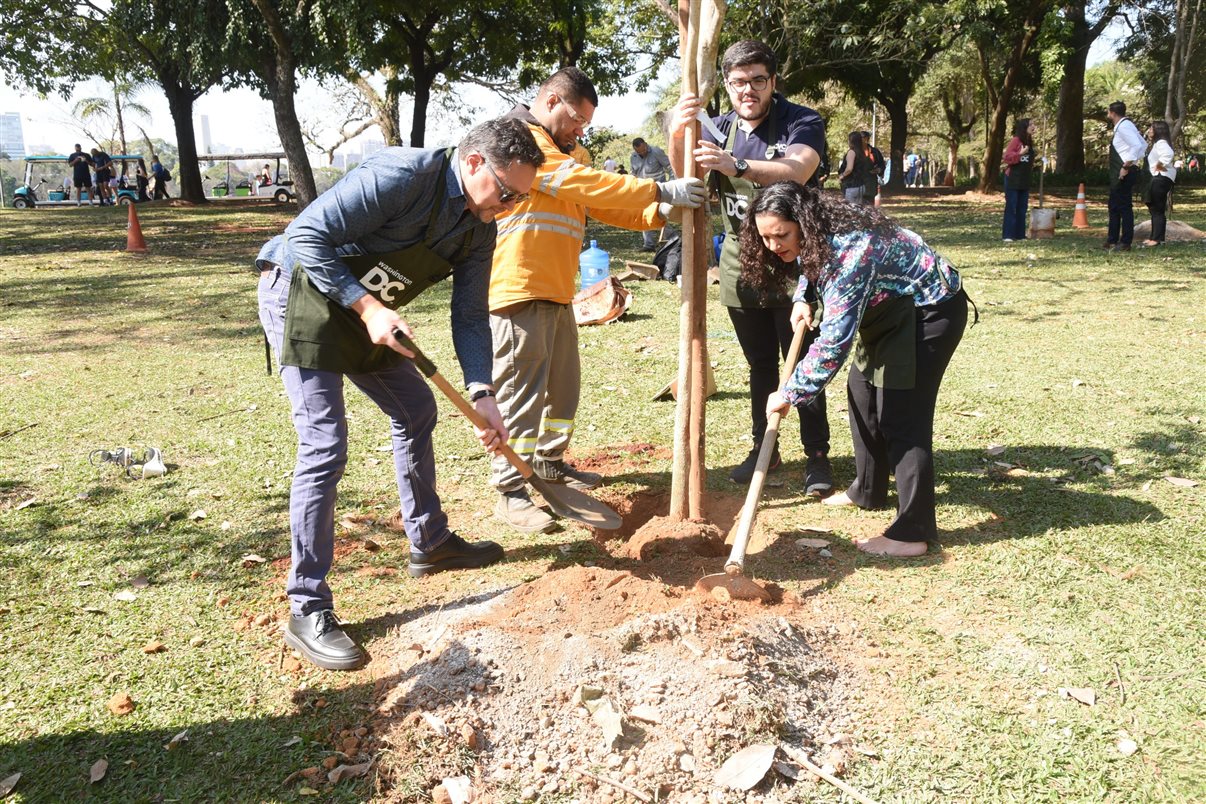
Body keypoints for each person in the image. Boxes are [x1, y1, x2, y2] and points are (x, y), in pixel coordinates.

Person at [254, 117, 545, 670]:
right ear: (474, 163)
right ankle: (306, 605)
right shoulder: (403, 174)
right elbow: (305, 235)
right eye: (505, 193)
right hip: (301, 290)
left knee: (416, 408)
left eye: (517, 200)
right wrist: (366, 307)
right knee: (325, 443)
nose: (506, 207)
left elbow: (469, 315)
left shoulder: (480, 225)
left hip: (364, 307)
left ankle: (430, 541)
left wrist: (483, 392)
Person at [489, 67, 704, 533]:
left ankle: (548, 463)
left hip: (557, 289)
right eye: (576, 118)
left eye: (585, 123)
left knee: (562, 388)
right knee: (520, 393)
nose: (580, 130)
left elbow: (599, 202)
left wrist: (657, 210)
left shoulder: (570, 152)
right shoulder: (519, 141)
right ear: (549, 101)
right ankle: (510, 488)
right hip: (517, 286)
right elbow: (579, 184)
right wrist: (657, 188)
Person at [749, 181, 970, 557]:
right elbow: (811, 261)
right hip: (889, 309)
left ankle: (911, 533)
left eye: (781, 235)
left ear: (803, 221)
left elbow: (834, 343)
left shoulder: (852, 253)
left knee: (902, 416)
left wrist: (790, 394)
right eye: (765, 238)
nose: (773, 246)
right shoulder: (818, 235)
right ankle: (868, 489)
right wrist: (804, 295)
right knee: (862, 391)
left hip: (928, 311)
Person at [669, 39, 834, 494]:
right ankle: (765, 446)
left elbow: (798, 170)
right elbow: (685, 172)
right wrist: (679, 128)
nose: (748, 90)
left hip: (794, 260)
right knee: (760, 363)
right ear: (726, 83)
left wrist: (736, 163)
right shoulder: (717, 126)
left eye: (758, 80)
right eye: (739, 82)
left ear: (772, 82)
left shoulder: (801, 120)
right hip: (741, 266)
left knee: (800, 359)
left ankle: (817, 456)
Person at [1105, 101, 1147, 252]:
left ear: (1112, 113)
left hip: (1124, 171)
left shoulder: (1124, 127)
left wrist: (1126, 165)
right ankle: (1112, 239)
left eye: (1108, 111)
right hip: (1122, 171)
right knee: (1114, 206)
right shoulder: (1125, 126)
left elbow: (1137, 146)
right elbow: (1143, 145)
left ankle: (1125, 242)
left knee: (1123, 207)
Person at [630, 137, 674, 250]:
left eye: (643, 150)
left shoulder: (656, 151)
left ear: (645, 144)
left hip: (658, 189)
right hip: (642, 190)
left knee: (660, 214)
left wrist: (671, 183)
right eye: (639, 152)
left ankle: (671, 238)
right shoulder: (633, 157)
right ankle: (648, 244)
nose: (642, 153)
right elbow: (633, 174)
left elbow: (670, 167)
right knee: (644, 215)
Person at [1142, 120, 1176, 247]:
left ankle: (1156, 239)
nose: (1149, 131)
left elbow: (1168, 154)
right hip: (1160, 177)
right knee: (1156, 209)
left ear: (1158, 130)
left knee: (1156, 208)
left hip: (1160, 178)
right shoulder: (1158, 144)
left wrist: (1159, 165)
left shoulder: (1161, 143)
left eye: (1152, 128)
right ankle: (1156, 237)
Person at [1001, 118, 1036, 242]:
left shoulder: (1029, 142)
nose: (1033, 126)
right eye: (1031, 124)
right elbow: (1007, 157)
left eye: (1034, 124)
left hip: (1024, 179)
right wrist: (1020, 154)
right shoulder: (1016, 140)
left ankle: (1020, 235)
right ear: (1024, 126)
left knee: (1022, 207)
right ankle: (1008, 235)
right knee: (1012, 206)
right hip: (1012, 178)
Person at [838, 130, 874, 205]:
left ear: (851, 141)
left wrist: (842, 175)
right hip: (861, 186)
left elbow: (849, 169)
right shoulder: (862, 153)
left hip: (851, 186)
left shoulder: (851, 152)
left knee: (850, 209)